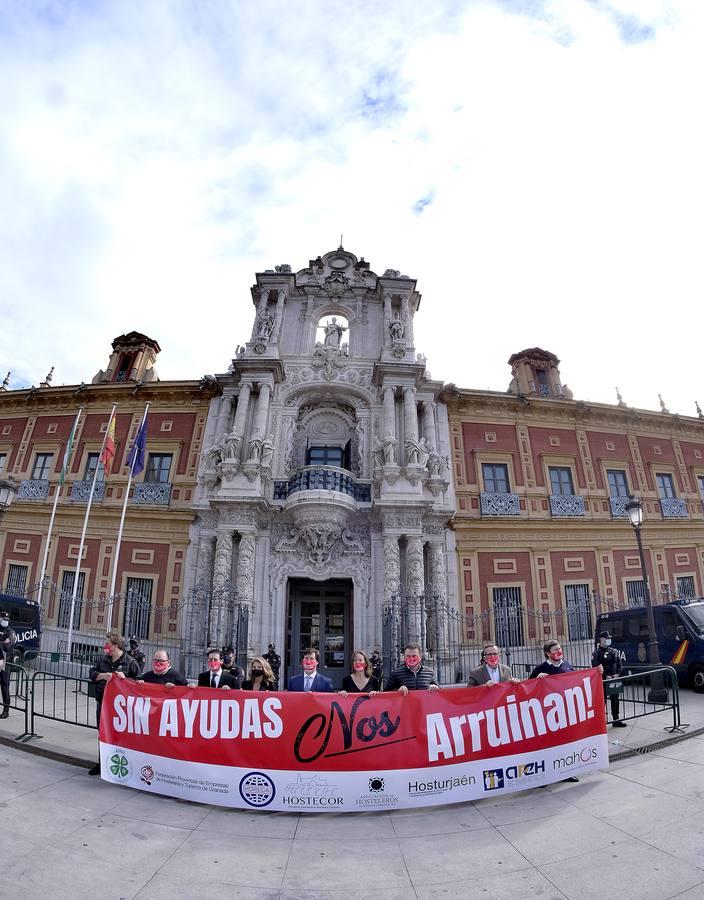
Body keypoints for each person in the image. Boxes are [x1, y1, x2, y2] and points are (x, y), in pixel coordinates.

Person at [88, 632, 141, 775]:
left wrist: (126, 680)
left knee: (122, 737)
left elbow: (139, 684)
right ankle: (101, 764)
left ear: (115, 646)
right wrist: (101, 676)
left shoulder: (130, 662)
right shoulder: (103, 660)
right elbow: (92, 673)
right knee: (103, 734)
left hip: (121, 709)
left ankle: (124, 766)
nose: (105, 647)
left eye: (107, 644)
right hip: (103, 704)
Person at [530, 640, 579, 782]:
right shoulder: (540, 669)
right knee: (547, 745)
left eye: (559, 648)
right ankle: (545, 776)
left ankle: (567, 771)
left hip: (565, 712)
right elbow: (528, 689)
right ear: (548, 653)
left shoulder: (567, 665)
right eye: (555, 650)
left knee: (566, 743)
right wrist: (537, 680)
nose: (559, 651)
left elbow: (576, 682)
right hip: (548, 715)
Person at [593, 630, 627, 727]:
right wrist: (605, 676)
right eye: (606, 638)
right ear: (601, 640)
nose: (608, 640)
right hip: (603, 681)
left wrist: (618, 674)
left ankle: (616, 719)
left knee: (615, 699)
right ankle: (602, 721)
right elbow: (595, 668)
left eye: (609, 638)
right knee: (602, 701)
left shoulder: (613, 651)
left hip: (614, 679)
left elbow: (619, 664)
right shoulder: (597, 653)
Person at [0, 610, 17, 719]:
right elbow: (3, 644)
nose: (5, 621)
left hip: (6, 662)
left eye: (6, 620)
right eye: (3, 619)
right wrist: (2, 642)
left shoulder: (11, 631)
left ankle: (6, 710)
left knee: (5, 686)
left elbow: (8, 645)